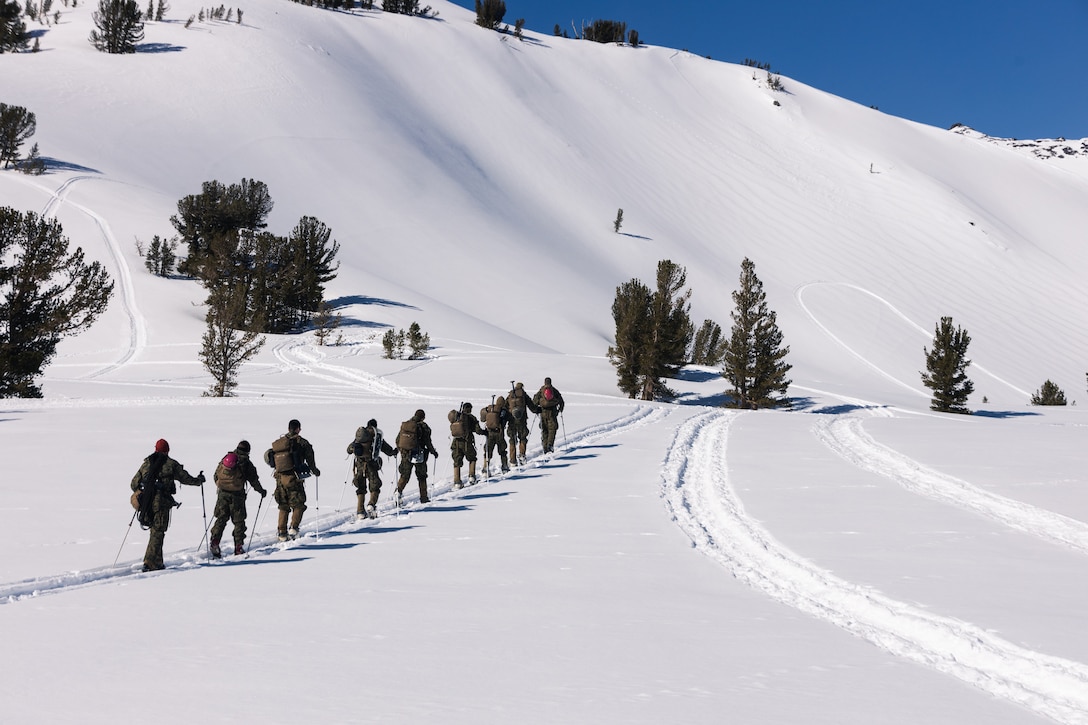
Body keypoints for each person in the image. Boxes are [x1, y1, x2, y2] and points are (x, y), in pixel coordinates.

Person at [130, 438, 205, 572]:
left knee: (156, 532)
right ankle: (150, 562)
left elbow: (133, 483)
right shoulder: (171, 464)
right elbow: (185, 478)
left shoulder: (147, 463)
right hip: (161, 503)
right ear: (167, 450)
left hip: (147, 502)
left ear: (155, 449)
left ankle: (157, 561)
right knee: (158, 532)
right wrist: (199, 481)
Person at [209, 440, 267, 558]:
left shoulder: (227, 458)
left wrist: (221, 487)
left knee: (221, 519)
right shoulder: (246, 463)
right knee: (239, 522)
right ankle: (238, 547)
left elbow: (216, 475)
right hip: (237, 497)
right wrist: (261, 491)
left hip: (222, 495)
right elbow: (254, 480)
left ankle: (215, 541)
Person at [271, 419, 320, 542]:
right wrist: (315, 471)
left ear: (288, 429)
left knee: (283, 505)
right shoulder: (302, 443)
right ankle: (294, 528)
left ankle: (282, 532)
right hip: (294, 478)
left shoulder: (280, 443)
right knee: (299, 504)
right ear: (298, 429)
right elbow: (310, 459)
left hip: (280, 478)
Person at [347, 418, 396, 520]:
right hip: (372, 465)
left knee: (361, 487)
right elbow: (386, 449)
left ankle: (360, 511)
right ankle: (371, 505)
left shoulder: (360, 436)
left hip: (359, 465)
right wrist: (393, 452)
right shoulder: (376, 436)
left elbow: (349, 449)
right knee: (375, 486)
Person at [395, 409, 439, 504]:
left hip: (405, 454)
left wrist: (401, 450)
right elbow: (428, 442)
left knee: (405, 475)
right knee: (422, 476)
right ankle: (424, 497)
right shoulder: (423, 426)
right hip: (419, 454)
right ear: (423, 417)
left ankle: (398, 492)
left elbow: (398, 440)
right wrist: (433, 452)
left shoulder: (406, 426)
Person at [449, 401, 486, 488]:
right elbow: (478, 430)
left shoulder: (457, 417)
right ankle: (472, 476)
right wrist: (484, 432)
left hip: (456, 443)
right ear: (470, 409)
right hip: (467, 442)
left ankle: (457, 481)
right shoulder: (471, 418)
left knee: (457, 462)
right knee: (472, 458)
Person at [505, 381, 538, 465]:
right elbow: (531, 406)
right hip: (522, 420)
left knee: (512, 439)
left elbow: (505, 407)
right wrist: (536, 410)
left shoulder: (510, 395)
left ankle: (512, 460)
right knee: (522, 438)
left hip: (511, 421)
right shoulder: (523, 395)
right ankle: (522, 456)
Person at [532, 377, 565, 454]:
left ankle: (545, 447)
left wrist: (537, 410)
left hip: (543, 413)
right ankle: (550, 444)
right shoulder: (554, 391)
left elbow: (535, 402)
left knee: (544, 430)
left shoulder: (541, 391)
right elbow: (561, 401)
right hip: (552, 413)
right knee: (552, 429)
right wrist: (559, 410)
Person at [479, 395, 511, 475]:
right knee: (502, 451)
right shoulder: (503, 411)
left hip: (489, 433)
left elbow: (482, 419)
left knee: (488, 450)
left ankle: (485, 468)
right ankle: (504, 466)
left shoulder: (490, 409)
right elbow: (510, 419)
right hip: (499, 433)